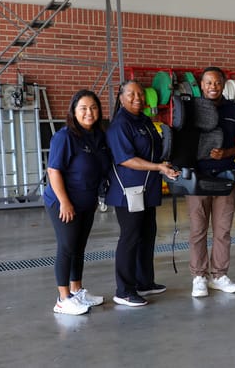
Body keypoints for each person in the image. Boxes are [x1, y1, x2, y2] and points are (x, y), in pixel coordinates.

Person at [105, 80, 179, 307]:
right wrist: (158, 167)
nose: (137, 98)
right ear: (121, 97)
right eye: (131, 94)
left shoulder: (144, 121)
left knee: (147, 235)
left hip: (147, 190)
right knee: (130, 238)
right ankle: (124, 290)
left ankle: (144, 282)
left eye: (141, 94)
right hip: (130, 192)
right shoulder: (120, 125)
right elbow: (126, 159)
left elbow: (153, 151)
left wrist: (164, 163)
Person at [44, 89, 110, 315]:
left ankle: (77, 290)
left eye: (93, 108)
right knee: (67, 247)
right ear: (73, 112)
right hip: (64, 202)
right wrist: (64, 202)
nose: (89, 112)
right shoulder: (64, 137)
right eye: (83, 108)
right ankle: (62, 299)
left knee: (79, 248)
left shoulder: (98, 135)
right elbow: (53, 170)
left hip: (86, 201)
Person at [187, 67, 235, 297]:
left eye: (218, 83)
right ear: (201, 85)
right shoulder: (191, 110)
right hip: (197, 178)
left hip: (225, 177)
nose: (213, 87)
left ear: (224, 85)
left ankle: (219, 275)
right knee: (198, 230)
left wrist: (228, 153)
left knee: (223, 231)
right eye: (209, 83)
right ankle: (199, 277)